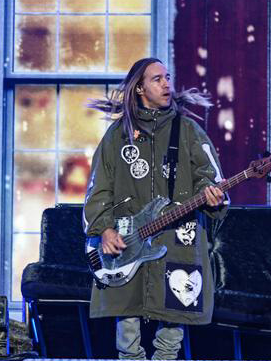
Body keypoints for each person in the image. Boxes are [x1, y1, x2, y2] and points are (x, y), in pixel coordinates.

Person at [83, 58, 228, 360]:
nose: (166, 84)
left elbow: (209, 176)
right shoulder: (117, 135)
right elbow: (99, 188)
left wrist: (212, 195)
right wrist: (104, 229)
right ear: (139, 88)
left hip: (179, 237)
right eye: (157, 79)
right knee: (126, 314)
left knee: (175, 313)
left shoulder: (188, 130)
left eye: (168, 77)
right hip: (128, 237)